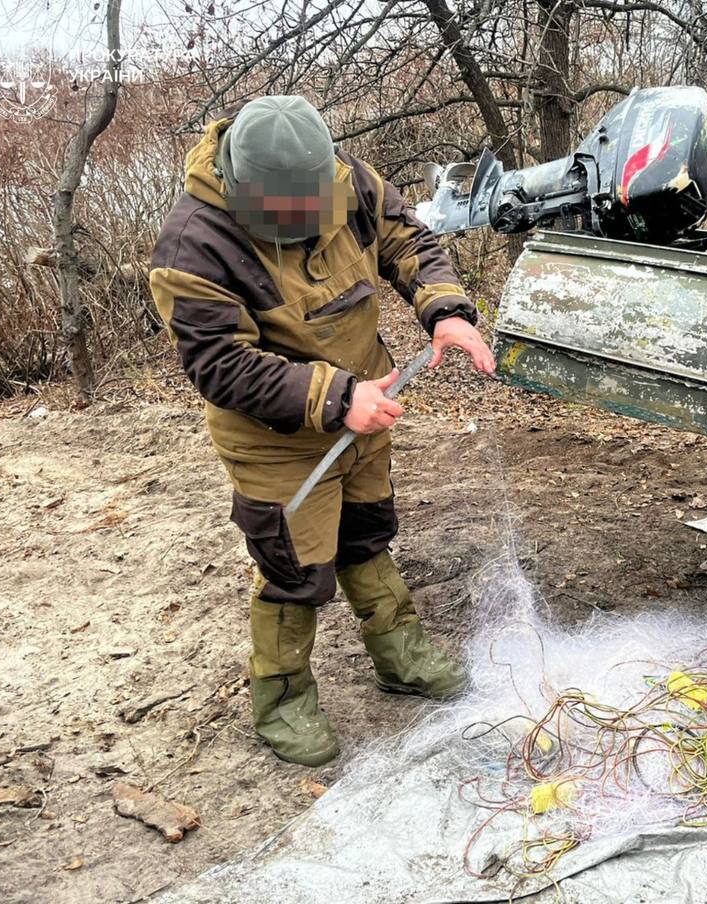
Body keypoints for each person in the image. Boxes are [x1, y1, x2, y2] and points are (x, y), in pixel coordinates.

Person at [149, 95, 495, 767]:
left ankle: (400, 656)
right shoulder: (195, 243)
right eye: (284, 214)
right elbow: (219, 364)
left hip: (367, 401)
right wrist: (336, 398)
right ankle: (282, 700)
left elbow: (410, 240)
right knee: (295, 567)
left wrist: (446, 310)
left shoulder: (349, 180)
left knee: (367, 532)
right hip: (274, 435)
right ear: (246, 190)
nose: (303, 223)